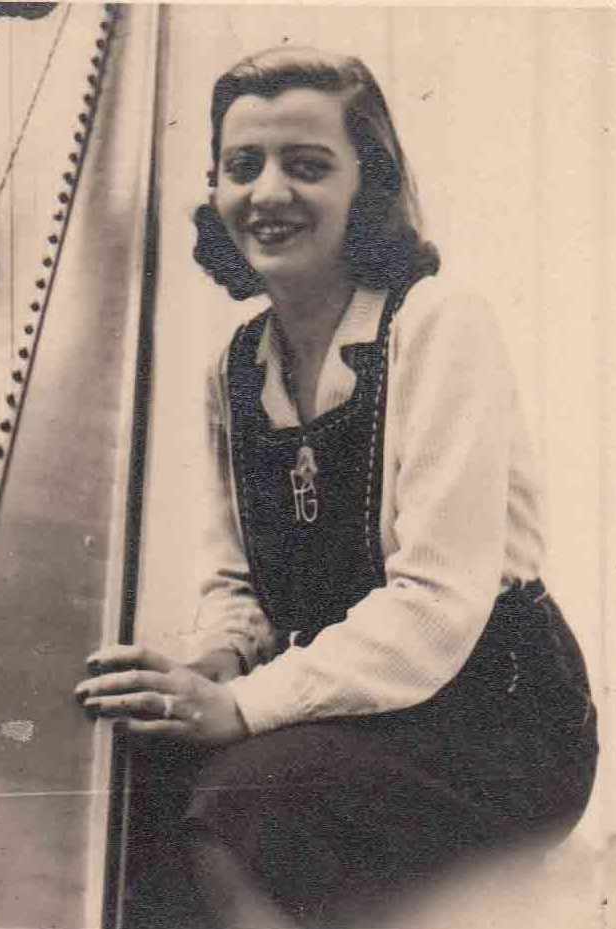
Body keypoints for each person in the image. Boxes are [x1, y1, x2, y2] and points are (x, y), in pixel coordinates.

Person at [75, 47, 599, 928]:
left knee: (233, 811)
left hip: (495, 718)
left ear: (370, 185)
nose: (267, 192)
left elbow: (434, 608)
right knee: (126, 783)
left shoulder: (438, 326)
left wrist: (239, 706)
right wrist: (212, 664)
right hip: (353, 709)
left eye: (307, 165)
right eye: (243, 165)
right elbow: (235, 582)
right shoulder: (234, 368)